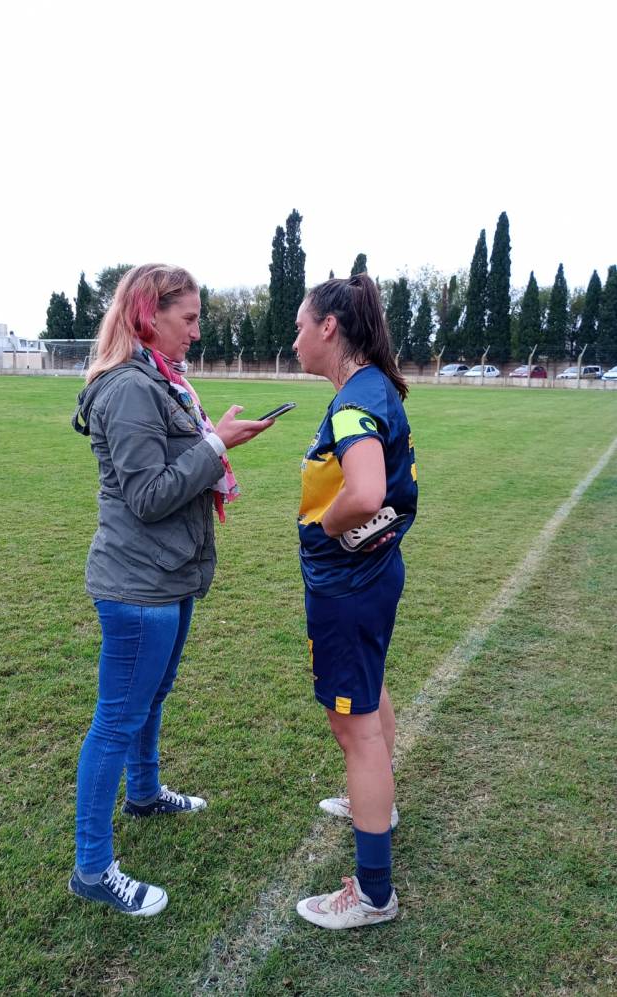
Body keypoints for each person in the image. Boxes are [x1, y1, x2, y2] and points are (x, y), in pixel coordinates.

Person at [68, 263, 272, 917]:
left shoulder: (164, 380)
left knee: (149, 696)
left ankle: (146, 792)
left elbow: (173, 470)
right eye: (188, 318)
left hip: (168, 573)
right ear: (147, 314)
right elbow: (150, 494)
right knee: (116, 719)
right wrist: (215, 443)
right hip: (137, 583)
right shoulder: (130, 387)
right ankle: (93, 867)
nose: (196, 332)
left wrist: (215, 435)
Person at [292, 273, 418, 930]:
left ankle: (373, 893)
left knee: (355, 727)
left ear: (329, 328)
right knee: (369, 698)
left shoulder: (353, 402)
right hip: (373, 576)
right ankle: (381, 806)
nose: (294, 338)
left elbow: (367, 493)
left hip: (349, 586)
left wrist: (325, 526)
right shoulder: (372, 388)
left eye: (300, 325)